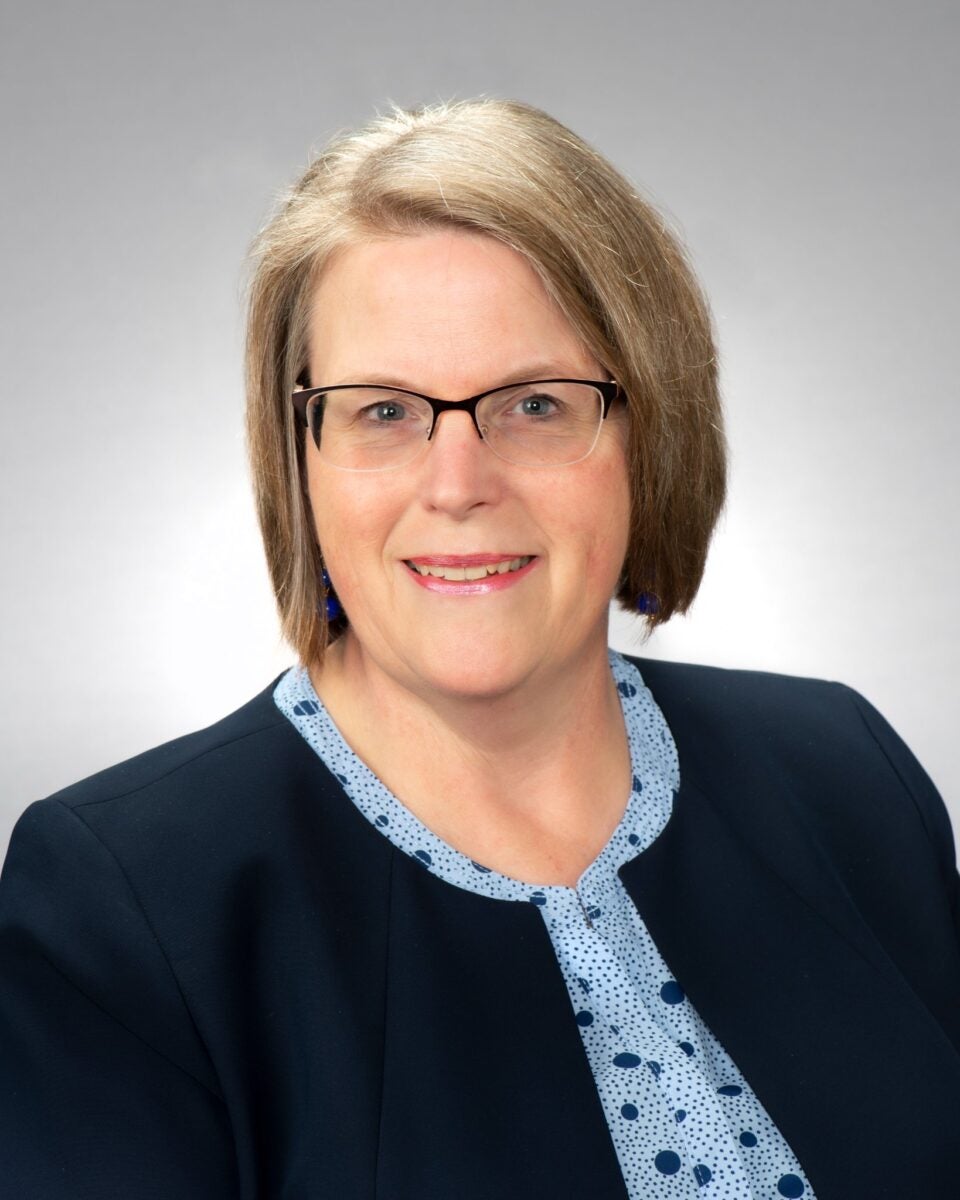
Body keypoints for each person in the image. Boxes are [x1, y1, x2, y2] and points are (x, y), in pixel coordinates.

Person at [1, 98, 957, 1200]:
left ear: (652, 429)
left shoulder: (843, 771)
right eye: (384, 414)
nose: (458, 485)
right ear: (299, 453)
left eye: (537, 403)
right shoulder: (121, 903)